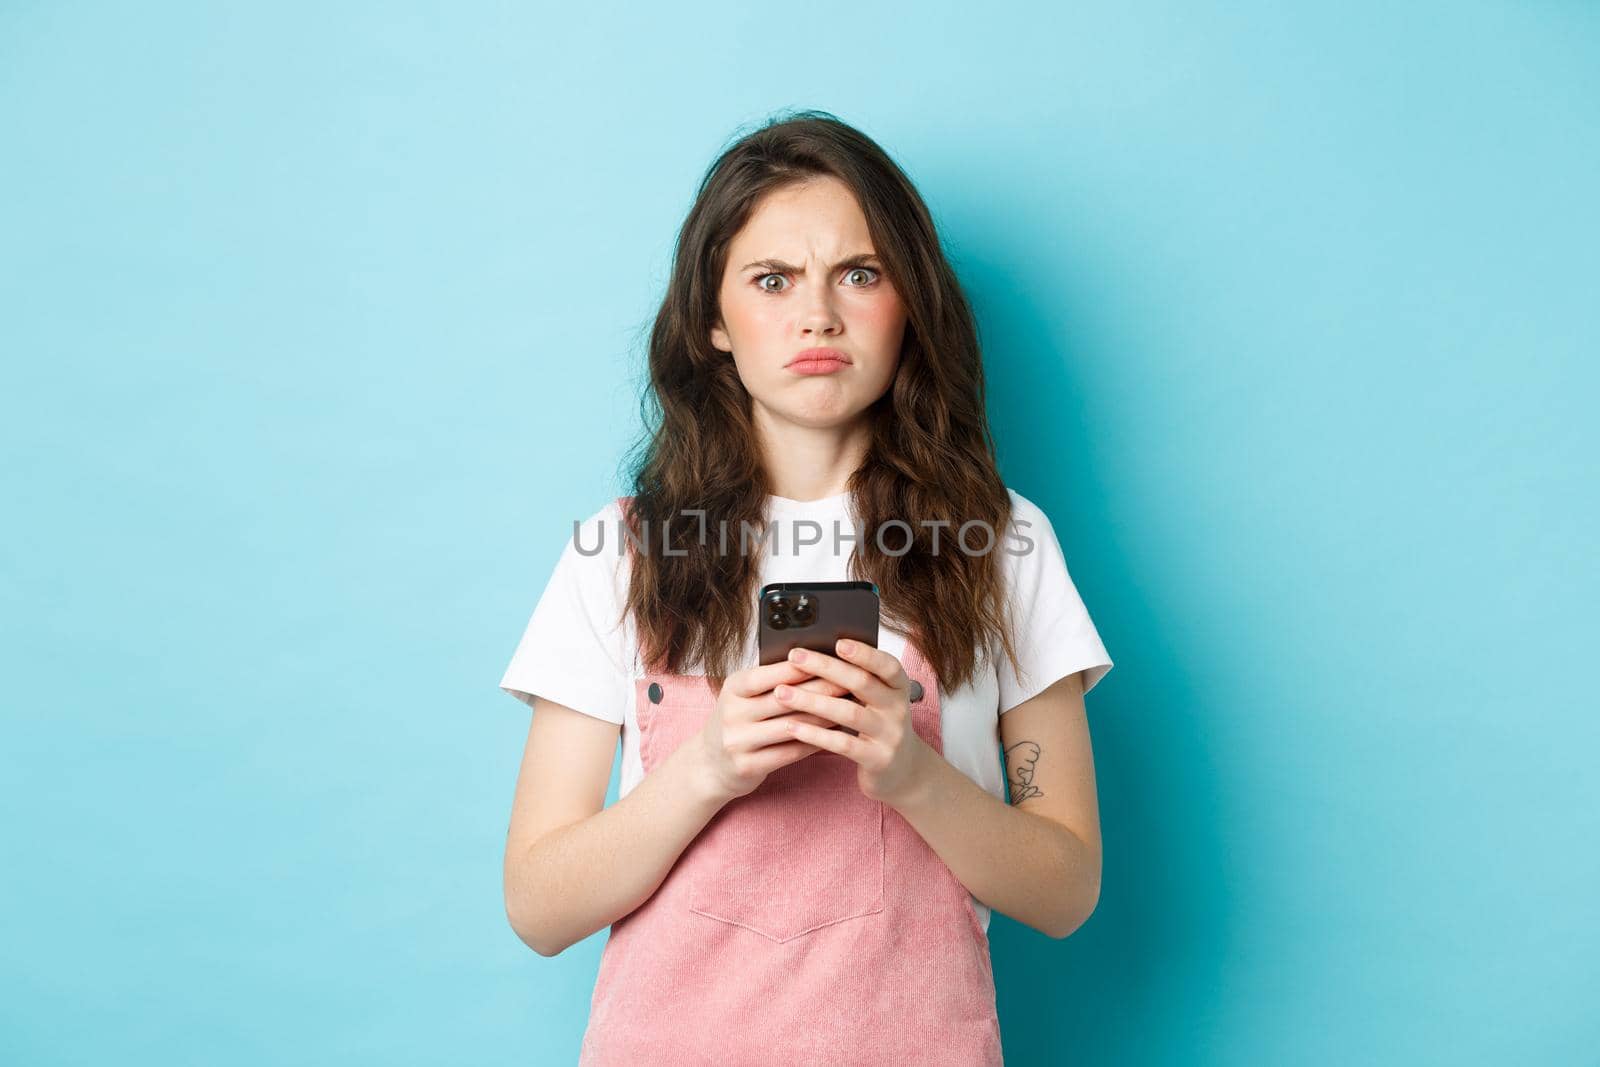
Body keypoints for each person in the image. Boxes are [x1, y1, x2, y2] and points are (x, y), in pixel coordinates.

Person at [497, 109, 1114, 1065]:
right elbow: (538, 906)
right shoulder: (618, 554)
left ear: (910, 303)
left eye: (859, 274)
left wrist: (910, 775)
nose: (817, 314)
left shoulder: (1005, 543)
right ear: (712, 320)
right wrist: (708, 768)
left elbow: (1067, 888)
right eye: (772, 279)